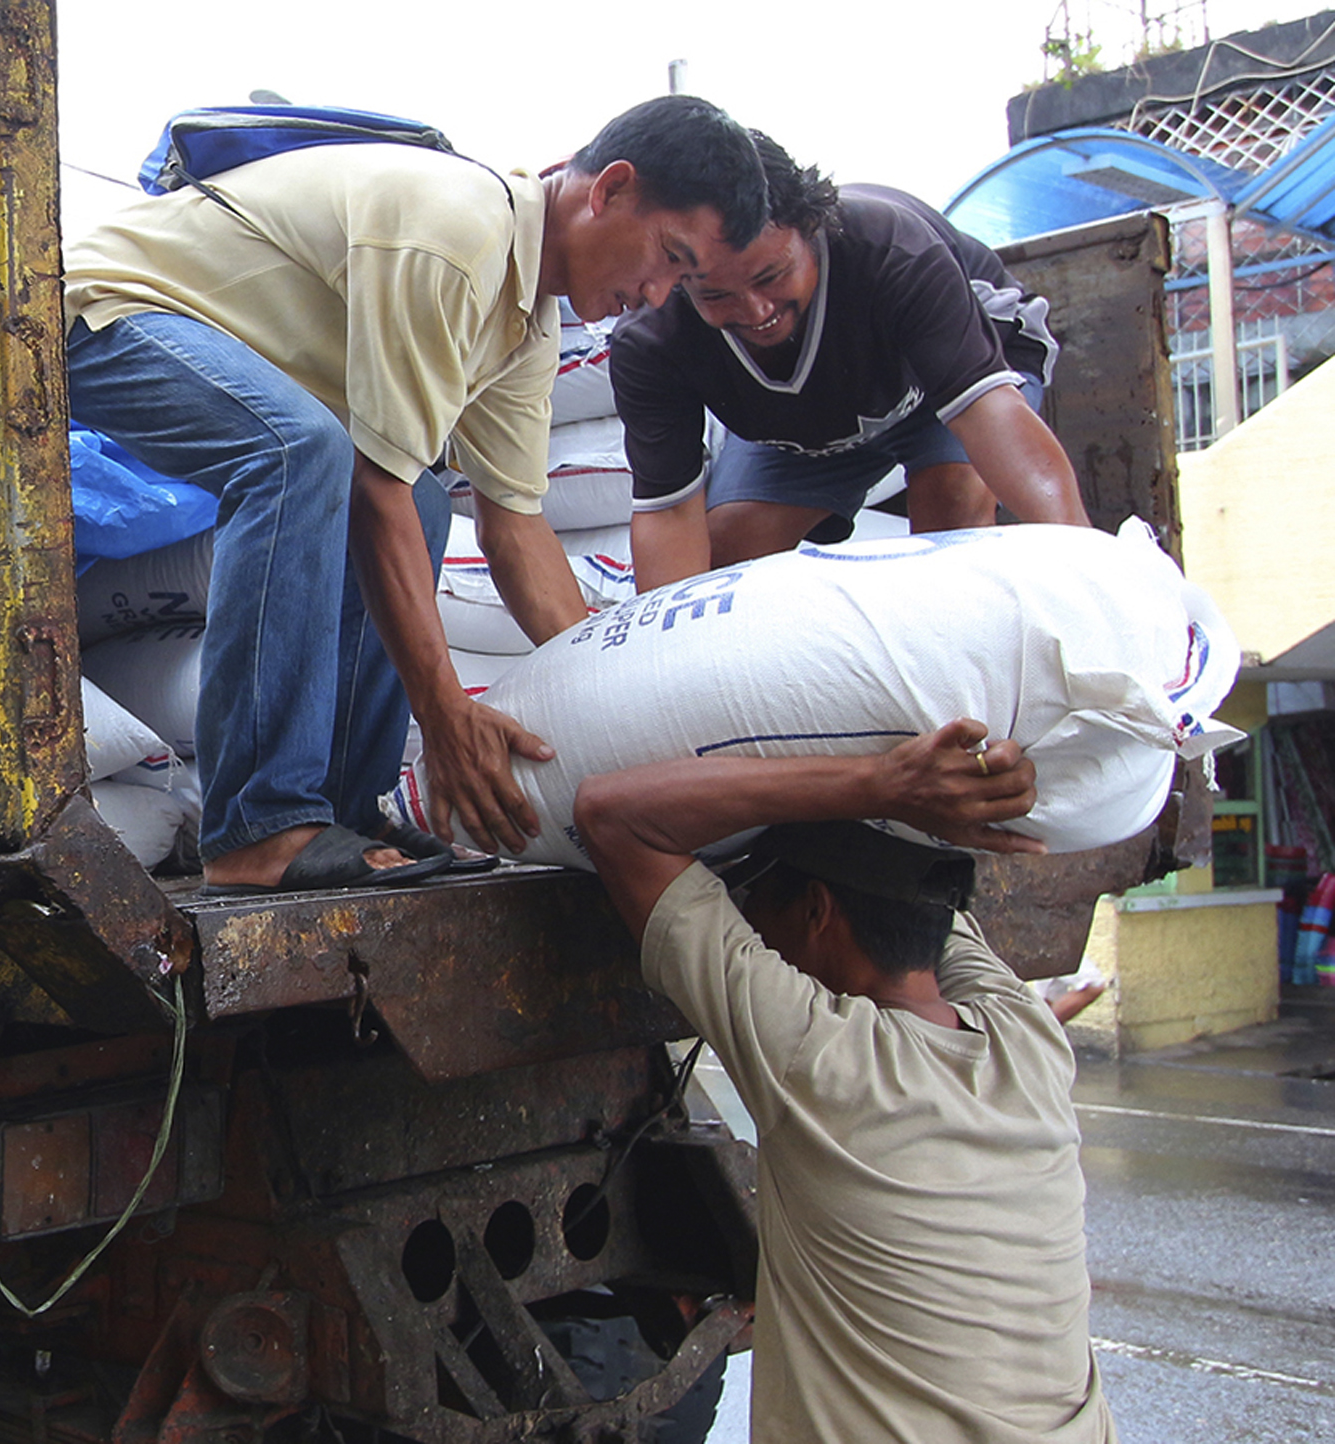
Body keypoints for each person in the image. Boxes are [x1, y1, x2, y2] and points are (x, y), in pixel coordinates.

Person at [64, 98, 767, 894]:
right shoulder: (458, 229)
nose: (658, 293)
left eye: (683, 279)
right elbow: (375, 483)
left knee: (427, 505)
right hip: (107, 308)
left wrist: (613, 693)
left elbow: (515, 529)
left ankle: (342, 811)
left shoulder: (525, 322)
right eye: (669, 256)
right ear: (610, 188)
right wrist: (443, 715)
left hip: (198, 345)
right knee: (299, 453)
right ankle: (258, 826)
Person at [571, 720, 1119, 1442]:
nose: (751, 928)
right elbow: (925, 912)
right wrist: (920, 796)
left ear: (816, 911)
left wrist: (879, 784)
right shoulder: (1027, 1039)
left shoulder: (821, 1059)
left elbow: (608, 812)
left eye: (757, 904)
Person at [610, 131, 1090, 591]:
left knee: (953, 506)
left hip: (943, 385)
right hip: (812, 424)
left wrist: (1091, 573)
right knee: (729, 552)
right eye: (717, 295)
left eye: (772, 276)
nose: (756, 311)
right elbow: (670, 515)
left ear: (812, 230)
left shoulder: (893, 253)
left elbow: (989, 415)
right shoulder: (656, 339)